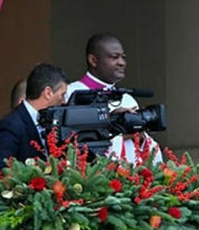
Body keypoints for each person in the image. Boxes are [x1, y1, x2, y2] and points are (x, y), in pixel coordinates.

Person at [65, 33, 161, 164]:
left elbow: (141, 146)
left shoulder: (128, 99)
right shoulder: (71, 93)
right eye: (114, 57)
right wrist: (114, 130)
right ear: (93, 60)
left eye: (123, 57)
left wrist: (140, 136)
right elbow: (70, 141)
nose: (122, 63)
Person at [0, 64, 68, 172]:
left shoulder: (51, 123)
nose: (64, 101)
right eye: (62, 95)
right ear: (48, 93)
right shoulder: (9, 127)